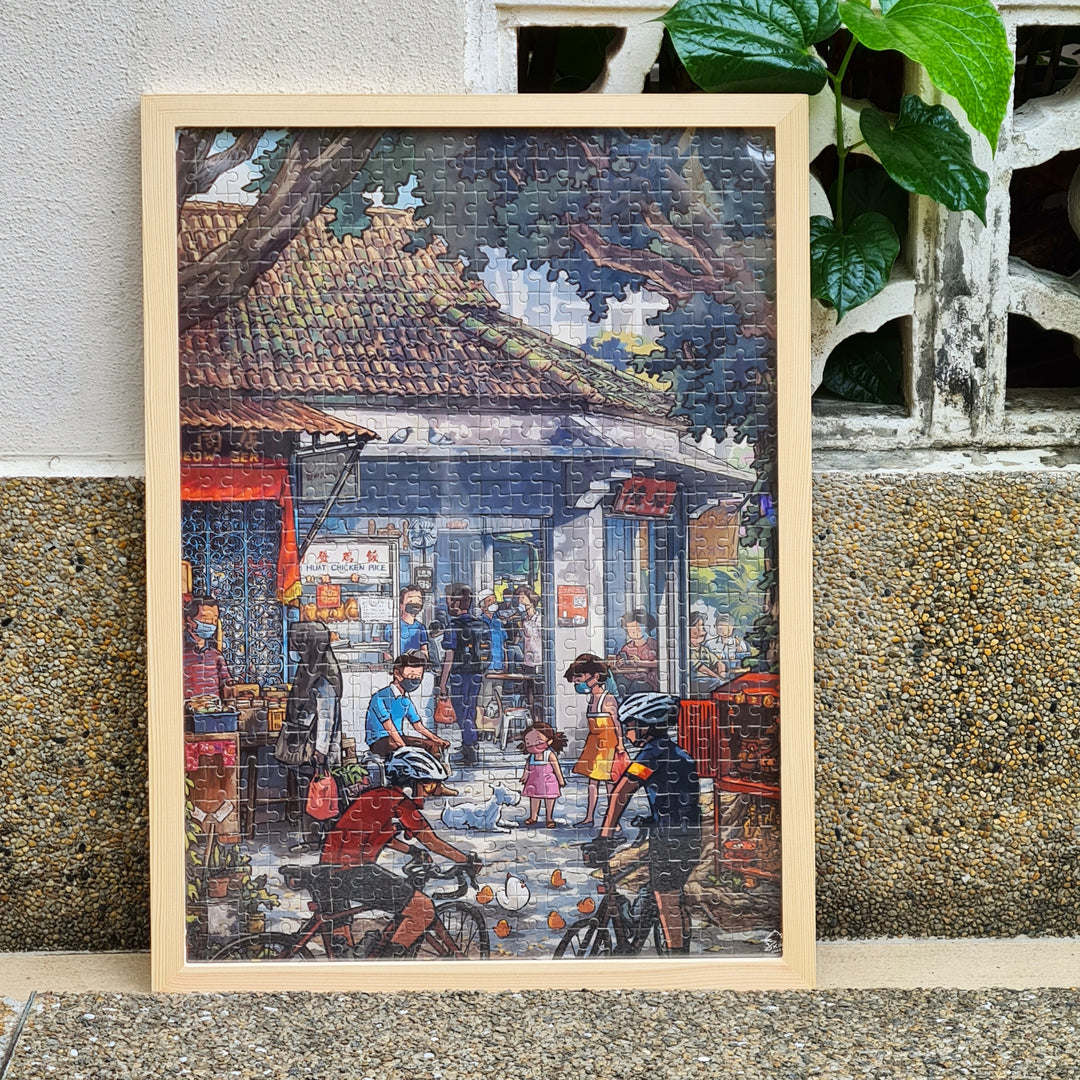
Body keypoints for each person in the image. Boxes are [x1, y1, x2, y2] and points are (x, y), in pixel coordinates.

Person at [320, 747, 478, 957]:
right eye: (429, 784)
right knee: (423, 909)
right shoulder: (398, 801)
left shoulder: (378, 796)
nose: (431, 791)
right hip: (353, 871)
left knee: (342, 945)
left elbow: (377, 837)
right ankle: (390, 962)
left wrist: (411, 850)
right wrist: (466, 860)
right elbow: (431, 841)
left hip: (328, 871)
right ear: (410, 783)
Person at [589, 692, 701, 954]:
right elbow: (679, 799)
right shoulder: (678, 753)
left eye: (629, 726)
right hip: (690, 836)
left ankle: (676, 958)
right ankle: (671, 945)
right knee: (671, 894)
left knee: (667, 901)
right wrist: (651, 819)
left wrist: (605, 835)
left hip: (670, 839)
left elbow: (623, 791)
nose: (626, 733)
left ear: (647, 725)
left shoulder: (651, 754)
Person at [274, 621, 343, 849]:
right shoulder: (309, 670)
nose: (295, 650)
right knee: (311, 792)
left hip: (315, 749)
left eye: (299, 645)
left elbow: (326, 717)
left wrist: (320, 752)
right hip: (306, 744)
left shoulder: (323, 677)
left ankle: (318, 839)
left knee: (317, 792)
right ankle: (316, 838)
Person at [567, 653, 627, 829]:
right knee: (592, 783)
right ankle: (589, 818)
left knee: (610, 784)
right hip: (593, 744)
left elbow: (617, 724)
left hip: (608, 745)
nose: (577, 682)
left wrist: (621, 744)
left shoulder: (608, 699)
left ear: (595, 676)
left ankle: (613, 820)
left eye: (580, 677)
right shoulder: (592, 698)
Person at [437, 582, 486, 767]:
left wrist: (442, 683)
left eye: (448, 600)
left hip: (459, 674)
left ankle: (469, 749)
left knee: (462, 712)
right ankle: (469, 745)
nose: (447, 604)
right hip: (476, 674)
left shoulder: (453, 626)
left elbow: (449, 657)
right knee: (470, 710)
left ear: (456, 603)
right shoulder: (480, 624)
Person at [366, 651, 450, 759]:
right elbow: (389, 727)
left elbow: (418, 726)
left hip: (399, 738)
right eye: (411, 676)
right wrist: (405, 749)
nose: (414, 680)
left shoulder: (405, 701)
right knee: (395, 744)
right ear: (397, 673)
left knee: (432, 746)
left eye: (418, 677)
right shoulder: (379, 698)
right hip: (379, 742)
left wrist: (438, 740)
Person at [517, 721, 567, 828]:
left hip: (548, 782)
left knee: (549, 800)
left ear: (549, 741)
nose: (532, 745)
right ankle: (533, 817)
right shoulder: (531, 756)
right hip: (534, 782)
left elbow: (556, 768)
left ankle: (549, 818)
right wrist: (525, 776)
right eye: (528, 743)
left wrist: (560, 780)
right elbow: (528, 767)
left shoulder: (549, 754)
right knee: (534, 799)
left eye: (538, 741)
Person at [182, 595, 232, 701]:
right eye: (206, 619)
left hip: (213, 708)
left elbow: (226, 683)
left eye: (214, 620)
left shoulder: (215, 655)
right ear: (190, 620)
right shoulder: (179, 651)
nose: (211, 625)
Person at [476, 592, 508, 738]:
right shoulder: (479, 623)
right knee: (485, 699)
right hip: (486, 668)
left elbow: (504, 645)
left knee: (497, 699)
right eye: (490, 601)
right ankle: (481, 729)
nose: (494, 604)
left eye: (494, 601)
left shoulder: (498, 623)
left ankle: (495, 730)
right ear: (483, 606)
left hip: (499, 667)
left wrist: (506, 661)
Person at [614, 609, 659, 695]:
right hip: (629, 677)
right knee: (620, 682)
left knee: (636, 685)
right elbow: (620, 661)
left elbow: (659, 663)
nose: (634, 631)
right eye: (630, 629)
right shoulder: (627, 647)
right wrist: (619, 663)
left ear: (646, 627)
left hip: (647, 680)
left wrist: (640, 663)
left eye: (637, 627)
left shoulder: (653, 645)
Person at [689, 611, 726, 695]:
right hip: (695, 681)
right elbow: (702, 668)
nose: (701, 629)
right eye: (696, 626)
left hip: (709, 681)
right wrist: (718, 678)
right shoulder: (687, 650)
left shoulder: (704, 650)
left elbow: (719, 663)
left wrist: (722, 677)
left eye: (702, 625)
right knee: (717, 682)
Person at [514, 587, 542, 674]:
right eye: (519, 598)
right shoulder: (524, 620)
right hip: (527, 660)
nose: (520, 601)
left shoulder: (539, 619)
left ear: (532, 600)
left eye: (523, 597)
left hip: (538, 660)